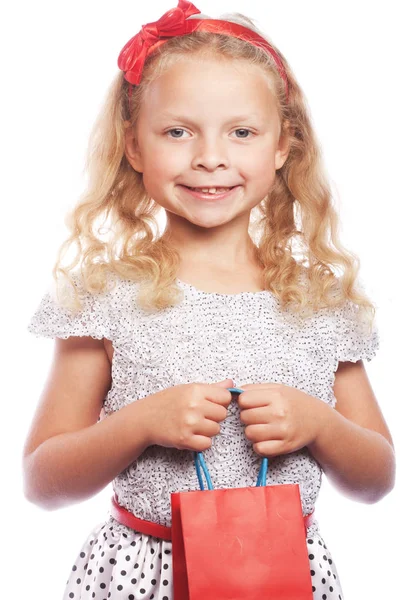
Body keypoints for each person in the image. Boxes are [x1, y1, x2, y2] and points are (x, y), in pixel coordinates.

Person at [23, 1, 396, 599]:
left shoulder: (320, 303)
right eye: (177, 131)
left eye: (242, 132)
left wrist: (320, 424)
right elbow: (42, 483)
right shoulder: (105, 298)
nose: (210, 157)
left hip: (282, 578)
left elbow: (377, 479)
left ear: (283, 147)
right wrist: (139, 423)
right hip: (142, 576)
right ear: (134, 147)